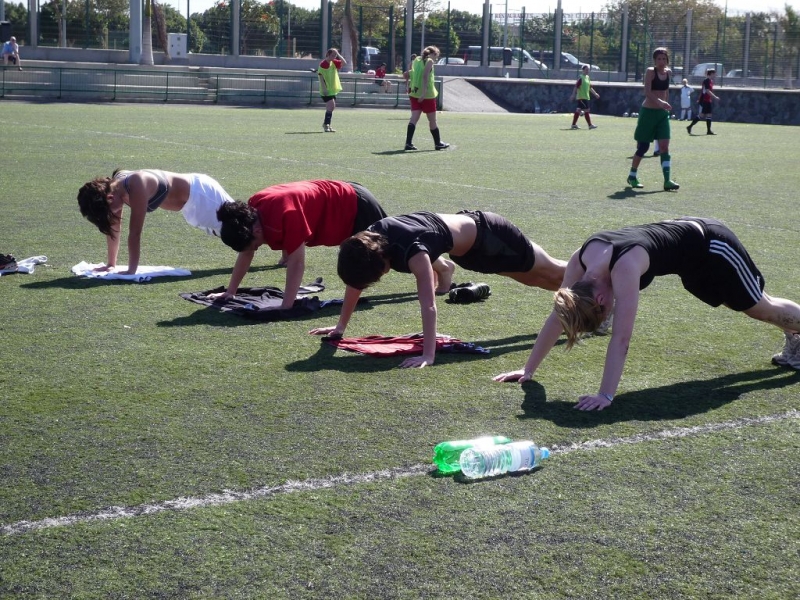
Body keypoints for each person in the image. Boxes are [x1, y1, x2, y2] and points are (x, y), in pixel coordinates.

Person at [493, 217, 800, 409]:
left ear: (599, 298)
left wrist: (605, 395)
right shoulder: (580, 261)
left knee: (760, 308)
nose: (608, 316)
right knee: (737, 304)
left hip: (712, 246)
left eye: (604, 313)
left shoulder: (624, 268)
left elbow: (622, 339)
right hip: (687, 259)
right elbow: (559, 314)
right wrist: (528, 369)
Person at [309, 210, 567, 368]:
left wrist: (428, 354)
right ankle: (584, 302)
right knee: (534, 280)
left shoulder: (414, 252)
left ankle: (589, 279)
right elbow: (355, 284)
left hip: (492, 236)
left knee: (553, 272)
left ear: (383, 260)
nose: (382, 276)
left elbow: (428, 305)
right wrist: (340, 327)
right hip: (471, 254)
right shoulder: (366, 242)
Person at [210, 180, 387, 310]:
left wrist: (286, 305)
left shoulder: (287, 214)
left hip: (356, 205)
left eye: (256, 245)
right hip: (346, 196)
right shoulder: (252, 212)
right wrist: (231, 291)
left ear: (256, 231)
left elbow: (296, 263)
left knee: (389, 256)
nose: (256, 249)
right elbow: (246, 252)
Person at [77, 170, 234, 275]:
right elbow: (114, 227)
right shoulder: (115, 189)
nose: (112, 216)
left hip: (202, 195)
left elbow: (135, 233)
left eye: (109, 212)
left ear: (109, 198)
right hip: (192, 206)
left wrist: (131, 271)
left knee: (240, 229)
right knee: (231, 235)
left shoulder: (136, 184)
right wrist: (111, 264)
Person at [626, 47, 679, 191]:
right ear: (654, 60)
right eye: (659, 59)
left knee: (664, 147)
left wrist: (666, 105)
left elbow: (666, 91)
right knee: (643, 147)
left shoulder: (668, 73)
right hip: (648, 113)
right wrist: (660, 102)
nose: (662, 61)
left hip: (662, 115)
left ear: (667, 60)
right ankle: (632, 176)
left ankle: (667, 181)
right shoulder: (650, 71)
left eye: (664, 59)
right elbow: (647, 92)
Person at [405, 46, 449, 151]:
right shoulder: (429, 61)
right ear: (433, 54)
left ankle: (408, 143)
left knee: (413, 119)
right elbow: (425, 76)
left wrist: (408, 85)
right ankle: (438, 143)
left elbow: (407, 73)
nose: (436, 59)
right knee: (432, 120)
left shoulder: (416, 60)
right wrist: (424, 93)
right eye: (436, 56)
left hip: (414, 93)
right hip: (427, 95)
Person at [318, 48, 345, 133]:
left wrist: (338, 54)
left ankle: (327, 124)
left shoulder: (334, 62)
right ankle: (326, 125)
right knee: (331, 106)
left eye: (335, 55)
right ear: (328, 55)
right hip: (326, 90)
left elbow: (344, 63)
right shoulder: (323, 64)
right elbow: (321, 77)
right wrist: (324, 89)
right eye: (332, 55)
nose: (334, 57)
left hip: (332, 89)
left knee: (331, 107)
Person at [687, 69, 720, 135]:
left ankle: (708, 131)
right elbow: (707, 91)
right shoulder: (706, 81)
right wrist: (715, 97)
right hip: (705, 100)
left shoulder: (710, 81)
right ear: (711, 74)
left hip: (708, 100)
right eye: (714, 74)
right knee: (702, 114)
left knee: (709, 114)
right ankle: (690, 126)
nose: (715, 75)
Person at [569, 65, 599, 130]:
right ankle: (590, 125)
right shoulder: (581, 78)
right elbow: (576, 87)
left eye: (588, 70)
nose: (587, 71)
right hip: (581, 97)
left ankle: (573, 125)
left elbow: (590, 87)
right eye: (586, 70)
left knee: (578, 110)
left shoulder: (587, 78)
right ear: (583, 70)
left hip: (585, 97)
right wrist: (573, 95)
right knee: (586, 110)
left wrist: (595, 93)